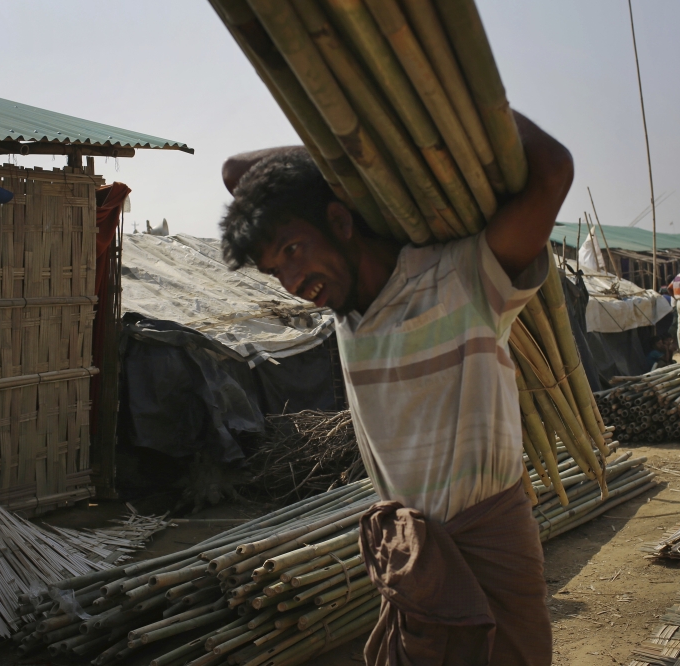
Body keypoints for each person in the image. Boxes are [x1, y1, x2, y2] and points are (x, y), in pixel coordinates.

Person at [218, 111, 571, 666]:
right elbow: (233, 170)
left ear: (340, 218)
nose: (293, 282)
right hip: (411, 554)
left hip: (490, 544)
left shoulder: (463, 277)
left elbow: (552, 171)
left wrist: (417, 126)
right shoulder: (345, 314)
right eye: (275, 272)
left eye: (292, 250)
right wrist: (358, 159)